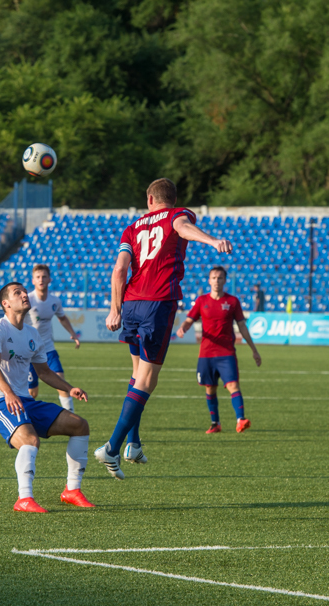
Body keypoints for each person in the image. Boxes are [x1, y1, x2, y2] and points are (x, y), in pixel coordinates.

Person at [97, 178, 234, 479]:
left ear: (149, 200)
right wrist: (211, 241)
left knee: (136, 376)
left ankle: (133, 444)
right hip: (158, 303)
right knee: (147, 381)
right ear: (172, 199)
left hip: (131, 304)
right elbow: (182, 228)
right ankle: (112, 448)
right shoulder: (176, 215)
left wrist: (114, 309)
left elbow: (120, 269)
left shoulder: (132, 228)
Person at [0, 281, 95, 513]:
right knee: (30, 440)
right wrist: (8, 393)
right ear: (5, 303)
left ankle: (72, 490)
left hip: (25, 400)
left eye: (24, 291)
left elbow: (43, 372)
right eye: (17, 293)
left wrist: (68, 387)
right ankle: (24, 499)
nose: (25, 294)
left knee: (79, 425)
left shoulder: (33, 334)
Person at [177, 266, 262, 434]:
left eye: (220, 278)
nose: (217, 281)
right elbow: (189, 319)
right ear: (209, 280)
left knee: (233, 385)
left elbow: (242, 327)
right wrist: (183, 328)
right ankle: (215, 423)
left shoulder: (232, 302)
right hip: (206, 354)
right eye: (214, 278)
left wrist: (254, 349)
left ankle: (240, 419)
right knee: (210, 389)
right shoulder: (202, 301)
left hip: (226, 354)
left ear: (225, 281)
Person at [26, 264, 81, 412]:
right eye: (38, 277)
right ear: (33, 280)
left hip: (48, 349)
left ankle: (71, 418)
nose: (41, 279)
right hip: (29, 352)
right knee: (32, 393)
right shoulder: (27, 300)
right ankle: (26, 422)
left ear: (49, 279)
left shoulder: (55, 301)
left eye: (44, 276)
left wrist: (73, 334)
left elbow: (62, 318)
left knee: (61, 383)